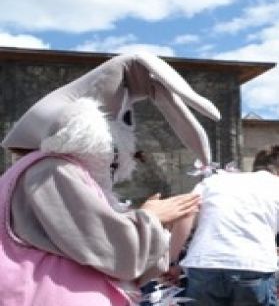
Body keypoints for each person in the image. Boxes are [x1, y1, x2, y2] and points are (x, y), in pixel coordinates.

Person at [0, 52, 214, 306]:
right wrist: (150, 218)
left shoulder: (51, 169)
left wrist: (148, 222)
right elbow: (107, 248)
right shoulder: (54, 169)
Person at [171, 145, 279, 306]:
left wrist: (171, 261)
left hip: (204, 262)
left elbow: (185, 215)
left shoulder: (213, 181)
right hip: (254, 266)